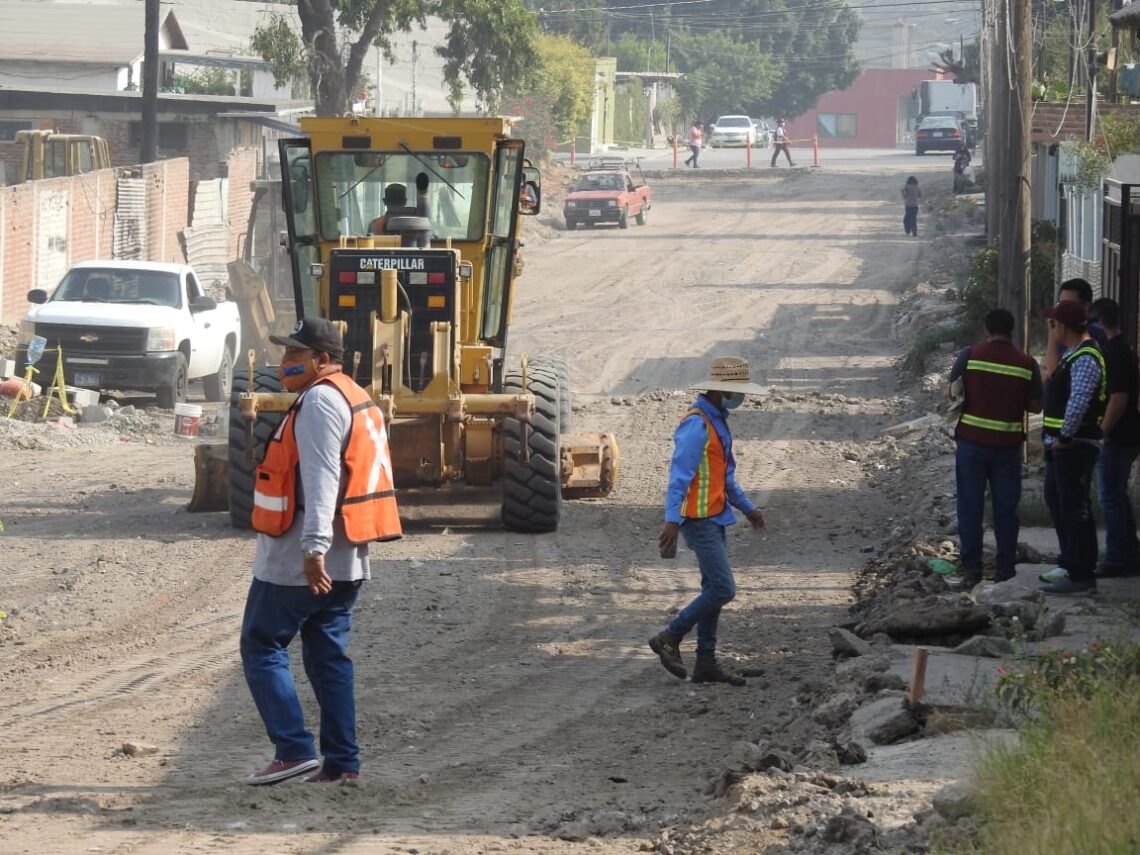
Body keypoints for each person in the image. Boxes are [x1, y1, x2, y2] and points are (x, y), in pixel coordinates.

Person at [241, 318, 402, 785]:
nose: (284, 363)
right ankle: (342, 764)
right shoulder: (356, 397)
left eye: (295, 355)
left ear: (323, 360)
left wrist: (313, 549)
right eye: (286, 353)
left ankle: (292, 750)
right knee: (327, 656)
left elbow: (322, 478)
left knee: (262, 643)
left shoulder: (319, 403)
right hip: (349, 557)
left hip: (304, 558)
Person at [649, 357, 767, 686]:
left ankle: (706, 662)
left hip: (714, 517)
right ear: (717, 391)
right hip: (697, 520)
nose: (740, 398)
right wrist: (672, 520)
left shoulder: (717, 422)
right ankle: (670, 636)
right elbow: (679, 476)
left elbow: (724, 477)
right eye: (736, 392)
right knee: (723, 588)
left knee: (712, 589)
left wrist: (747, 508)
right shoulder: (697, 424)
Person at [947, 308, 1043, 591]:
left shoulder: (969, 356)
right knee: (1006, 511)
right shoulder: (1027, 364)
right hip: (1007, 448)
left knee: (969, 509)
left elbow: (952, 394)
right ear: (1012, 331)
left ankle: (972, 573)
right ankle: (1006, 572)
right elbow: (1036, 406)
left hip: (972, 445)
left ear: (986, 330)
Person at [1039, 300, 1106, 594]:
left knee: (1075, 508)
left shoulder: (1086, 358)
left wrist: (1064, 438)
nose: (1051, 330)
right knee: (1060, 502)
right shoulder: (1073, 353)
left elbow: (1078, 402)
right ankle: (1070, 563)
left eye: (1053, 325)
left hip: (1074, 446)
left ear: (1063, 326)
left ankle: (1081, 575)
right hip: (1063, 446)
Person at [1089, 298, 1140, 578]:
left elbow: (1119, 398)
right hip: (1127, 433)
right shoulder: (1120, 349)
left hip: (1120, 436)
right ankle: (1130, 554)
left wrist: (1102, 431)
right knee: (1117, 496)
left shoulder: (1115, 352)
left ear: (1099, 322)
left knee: (1109, 496)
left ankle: (1117, 558)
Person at [1042, 278, 1108, 384]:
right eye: (1060, 304)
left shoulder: (1096, 335)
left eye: (1068, 305)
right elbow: (1050, 369)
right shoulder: (1062, 332)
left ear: (1085, 307)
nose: (1061, 311)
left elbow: (1052, 372)